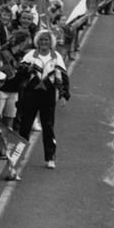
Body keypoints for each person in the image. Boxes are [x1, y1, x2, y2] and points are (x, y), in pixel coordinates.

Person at [16, 29, 70, 170]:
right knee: (25, 125)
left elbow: (62, 77)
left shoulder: (56, 56)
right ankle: (19, 155)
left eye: (46, 40)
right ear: (37, 41)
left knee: (48, 126)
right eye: (41, 40)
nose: (44, 42)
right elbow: (19, 73)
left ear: (51, 42)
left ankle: (50, 157)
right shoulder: (30, 55)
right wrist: (27, 70)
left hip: (48, 95)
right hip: (31, 94)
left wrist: (64, 95)